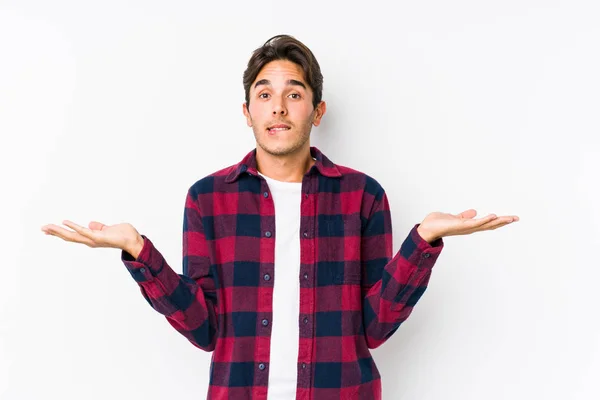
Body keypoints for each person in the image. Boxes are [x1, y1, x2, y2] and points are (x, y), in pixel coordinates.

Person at [41, 34, 519, 400]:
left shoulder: (362, 195)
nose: (279, 106)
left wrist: (424, 240)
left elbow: (372, 328)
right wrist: (138, 251)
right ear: (247, 112)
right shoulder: (207, 199)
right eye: (265, 93)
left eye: (294, 93)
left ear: (317, 110)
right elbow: (205, 330)